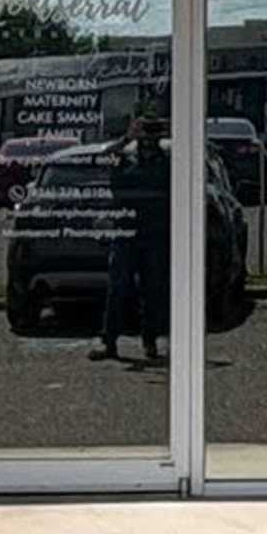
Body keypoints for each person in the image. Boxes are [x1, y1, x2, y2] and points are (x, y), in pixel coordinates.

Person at [92, 107, 172, 366]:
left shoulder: (168, 161)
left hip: (155, 234)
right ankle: (109, 341)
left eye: (153, 130)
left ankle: (150, 340)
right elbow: (102, 159)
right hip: (126, 232)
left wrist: (175, 134)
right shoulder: (125, 159)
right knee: (118, 288)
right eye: (145, 130)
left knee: (153, 290)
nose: (149, 137)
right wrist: (127, 137)